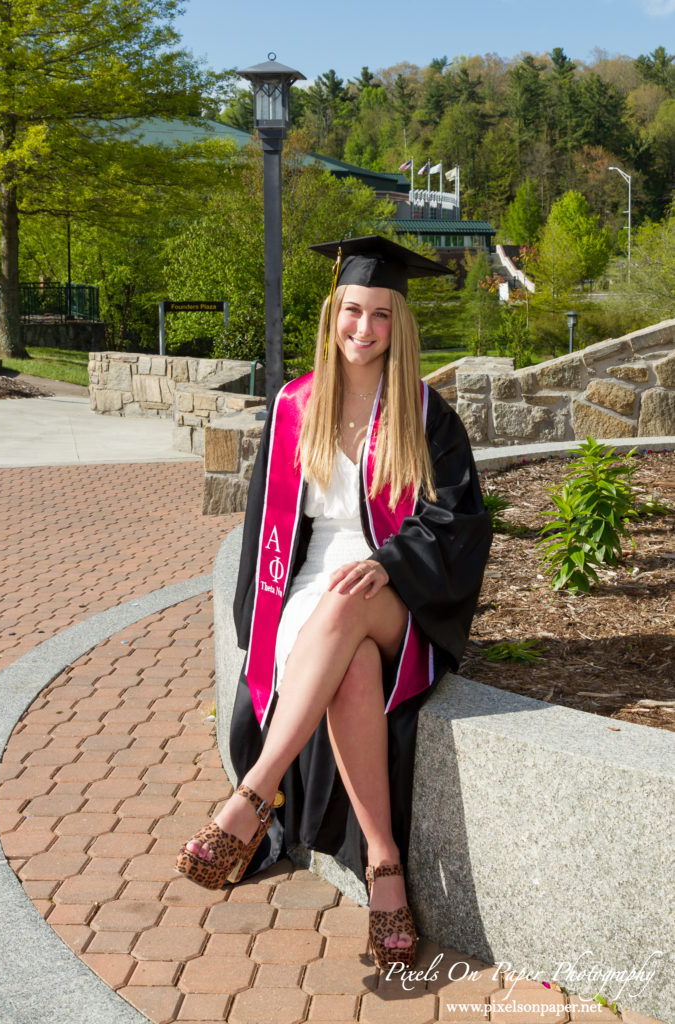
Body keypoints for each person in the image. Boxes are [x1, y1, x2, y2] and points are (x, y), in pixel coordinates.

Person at [175, 236, 492, 970]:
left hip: (395, 592)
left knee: (350, 603)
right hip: (306, 595)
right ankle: (385, 868)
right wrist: (258, 625)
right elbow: (266, 535)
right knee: (345, 661)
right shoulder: (293, 408)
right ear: (332, 315)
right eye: (353, 310)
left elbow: (458, 522)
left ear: (399, 326)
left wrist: (386, 564)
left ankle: (252, 795)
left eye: (381, 315)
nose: (364, 328)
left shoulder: (423, 413)